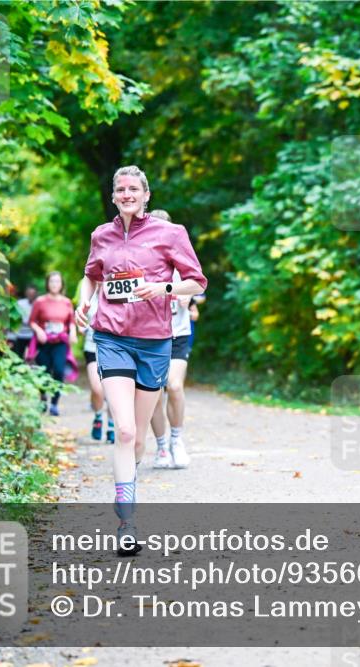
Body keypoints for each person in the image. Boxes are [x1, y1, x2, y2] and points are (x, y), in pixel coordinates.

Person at [75, 166, 207, 556]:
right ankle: (127, 523)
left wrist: (162, 288)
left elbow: (197, 281)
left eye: (134, 188)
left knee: (139, 437)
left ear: (146, 195)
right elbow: (90, 276)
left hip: (154, 343)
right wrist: (84, 302)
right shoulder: (102, 234)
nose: (127, 194)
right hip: (111, 337)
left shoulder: (171, 233)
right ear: (114, 196)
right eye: (120, 189)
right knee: (125, 430)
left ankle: (127, 493)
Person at [146, 209, 203, 470]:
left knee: (175, 386)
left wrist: (188, 297)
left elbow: (197, 283)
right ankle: (160, 447)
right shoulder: (142, 262)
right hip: (148, 335)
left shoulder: (181, 260)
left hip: (178, 334)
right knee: (154, 394)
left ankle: (177, 440)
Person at [28, 272, 78, 416]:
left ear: (61, 284)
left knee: (59, 370)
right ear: (47, 284)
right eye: (52, 281)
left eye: (57, 281)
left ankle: (55, 403)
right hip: (44, 342)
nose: (54, 284)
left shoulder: (67, 302)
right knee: (43, 371)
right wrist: (39, 331)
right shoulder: (40, 301)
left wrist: (73, 333)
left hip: (60, 342)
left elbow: (71, 322)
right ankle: (43, 398)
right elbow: (32, 321)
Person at [79, 286, 114, 443]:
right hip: (92, 348)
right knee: (97, 388)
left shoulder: (117, 293)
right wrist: (80, 326)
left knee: (112, 391)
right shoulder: (89, 296)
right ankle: (98, 416)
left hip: (113, 349)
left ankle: (111, 425)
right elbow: (80, 319)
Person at [13, 285, 37, 359]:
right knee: (18, 355)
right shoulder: (20, 303)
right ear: (26, 293)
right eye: (29, 293)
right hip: (20, 334)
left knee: (33, 356)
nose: (31, 296)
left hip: (33, 335)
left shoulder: (38, 304)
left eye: (32, 294)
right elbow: (15, 317)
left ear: (35, 294)